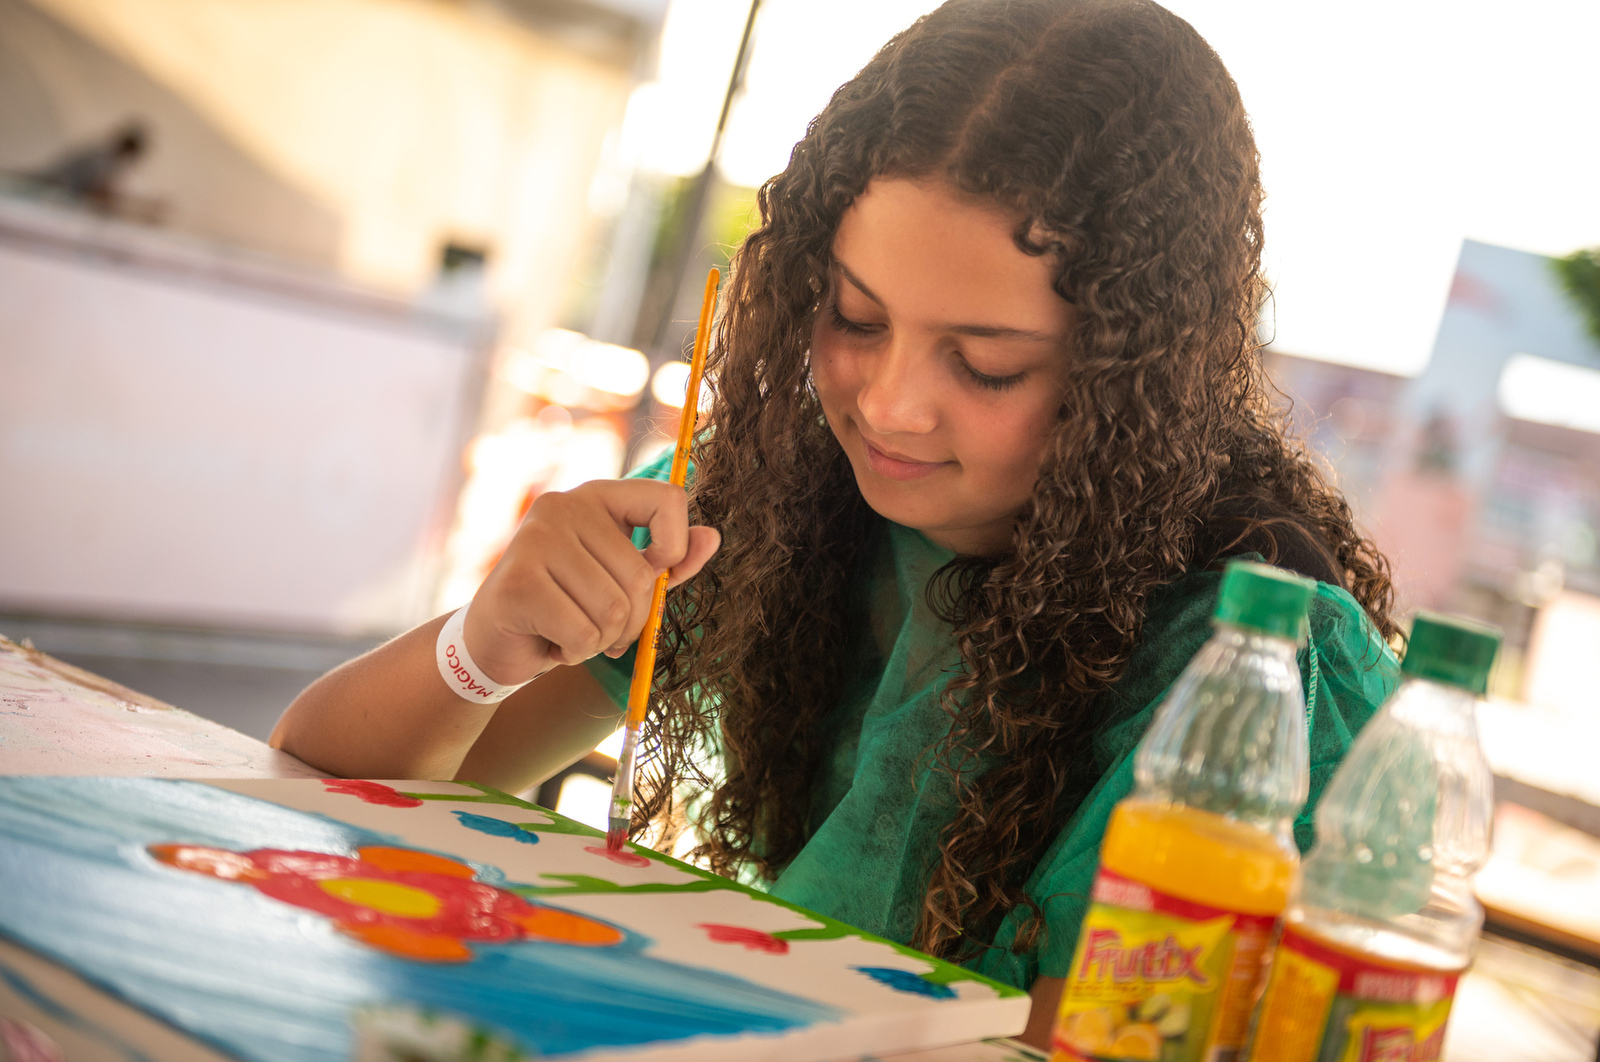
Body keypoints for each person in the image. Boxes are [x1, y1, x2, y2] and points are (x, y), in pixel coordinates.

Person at [273, 0, 1400, 1044]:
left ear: (1137, 372)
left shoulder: (1255, 662)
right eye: (855, 317)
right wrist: (483, 648)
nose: (889, 406)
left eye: (986, 363)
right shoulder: (764, 497)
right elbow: (319, 779)